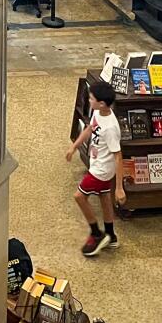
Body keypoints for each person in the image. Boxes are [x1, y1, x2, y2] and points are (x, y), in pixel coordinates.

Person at [64, 79, 125, 257]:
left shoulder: (111, 128)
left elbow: (118, 156)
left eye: (91, 99)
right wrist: (74, 146)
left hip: (101, 171)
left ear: (102, 103)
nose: (89, 101)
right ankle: (111, 235)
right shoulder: (99, 113)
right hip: (97, 164)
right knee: (104, 197)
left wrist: (119, 188)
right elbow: (90, 128)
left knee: (79, 197)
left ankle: (96, 233)